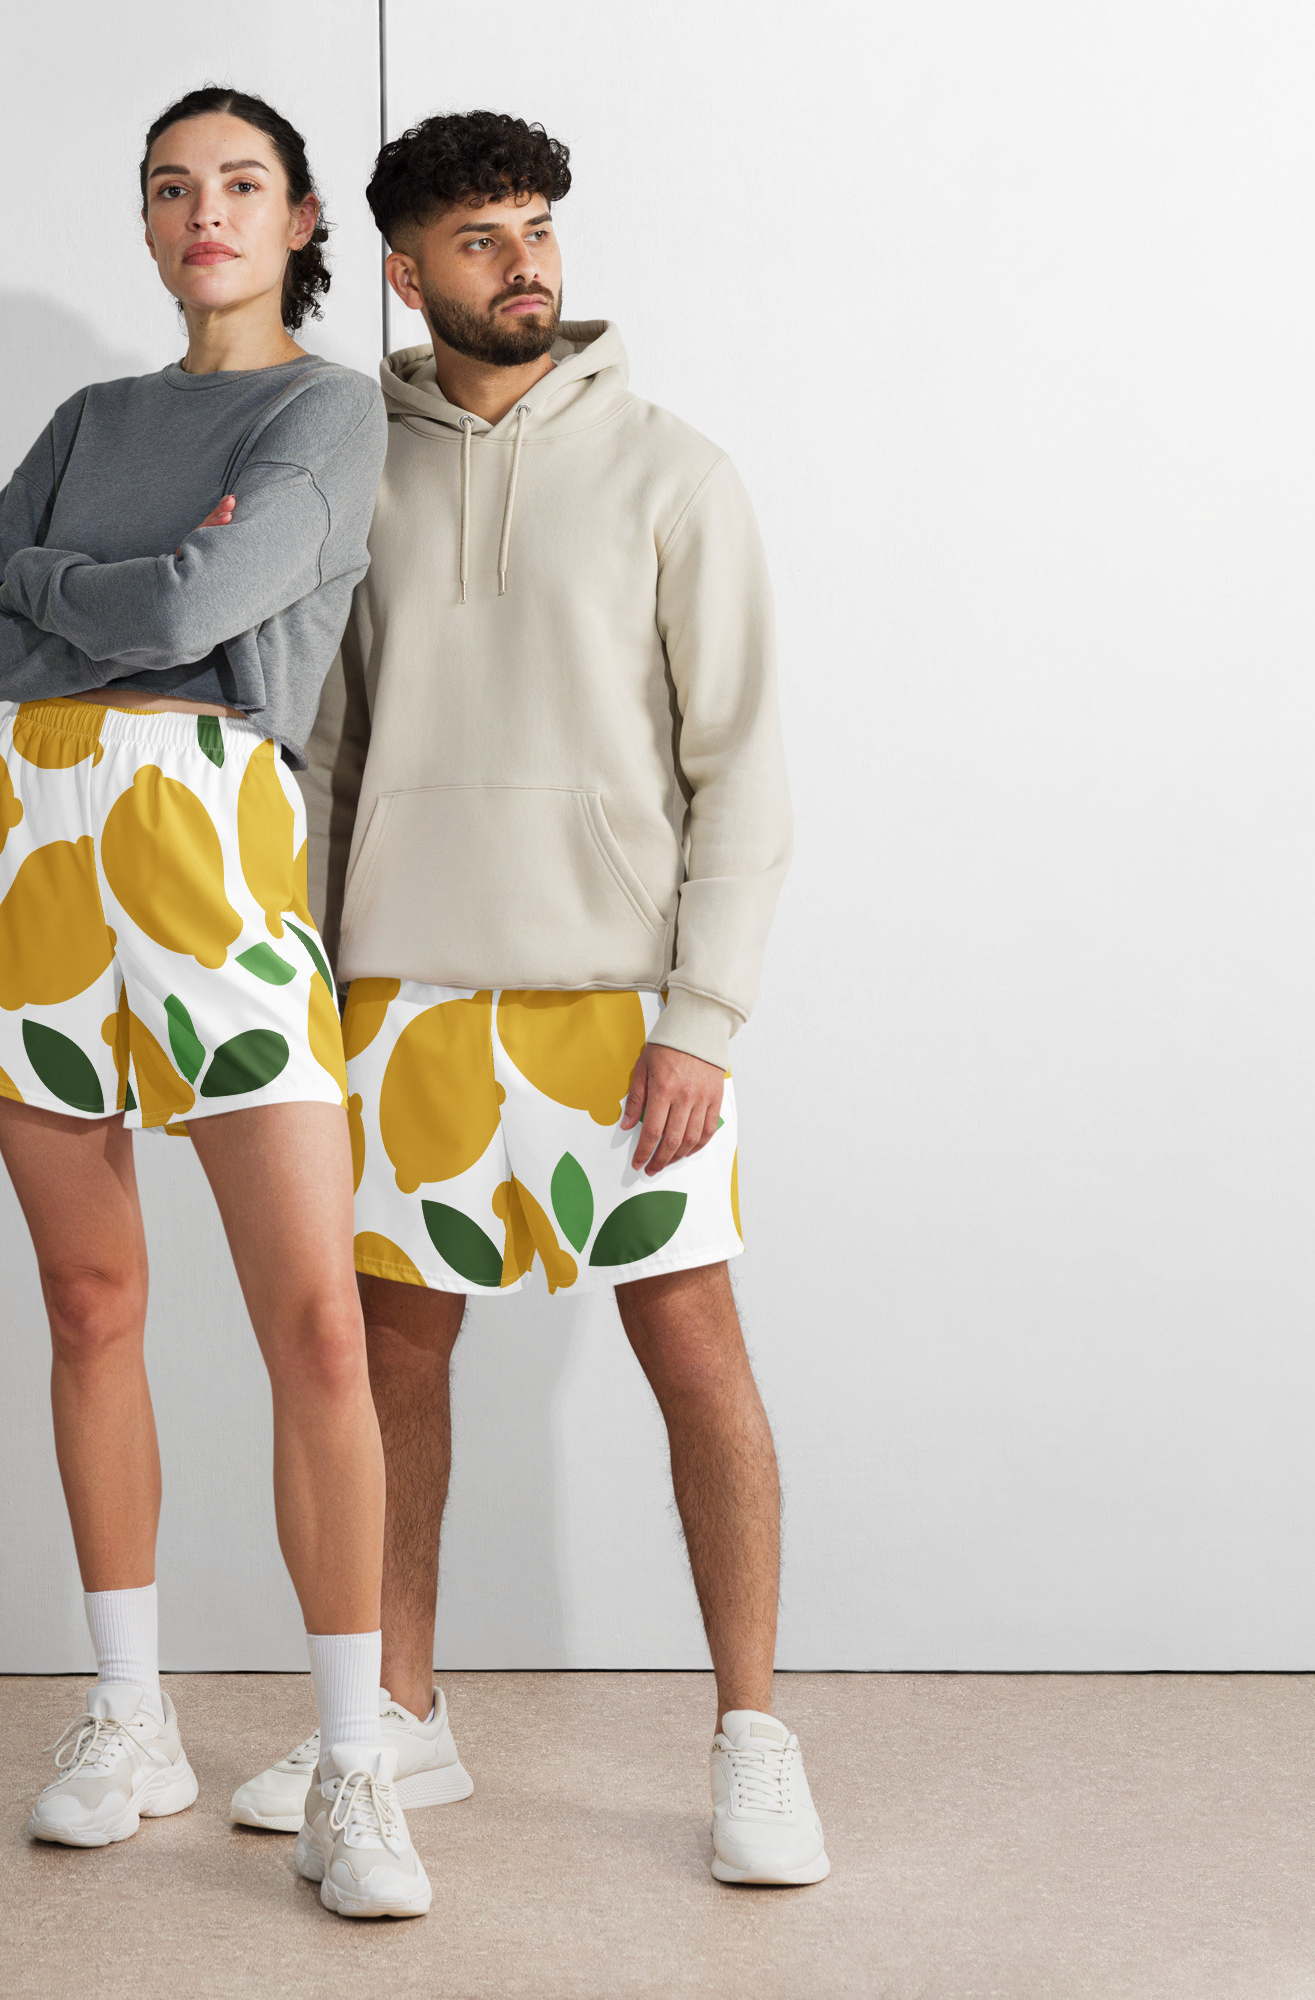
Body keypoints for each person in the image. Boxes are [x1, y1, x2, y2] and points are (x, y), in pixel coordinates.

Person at [233, 110, 828, 1888]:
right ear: (403, 272)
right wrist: (312, 990)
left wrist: (703, 1017)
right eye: (482, 239)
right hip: (403, 996)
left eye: (540, 228)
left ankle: (752, 1738)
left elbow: (742, 770)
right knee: (392, 1357)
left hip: (616, 1006)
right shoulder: (356, 470)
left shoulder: (673, 473)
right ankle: (401, 1714)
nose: (527, 265)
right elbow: (323, 760)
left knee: (694, 1352)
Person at [0, 86, 430, 1919]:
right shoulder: (92, 419)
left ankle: (356, 1764)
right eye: (168, 188)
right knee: (89, 1300)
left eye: (239, 184)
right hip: (32, 849)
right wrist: (118, 603)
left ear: (300, 221)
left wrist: (56, 590)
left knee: (317, 1328)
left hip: (213, 844)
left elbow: (209, 596)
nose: (202, 211)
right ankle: (130, 1718)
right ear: (144, 224)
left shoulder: (325, 411)